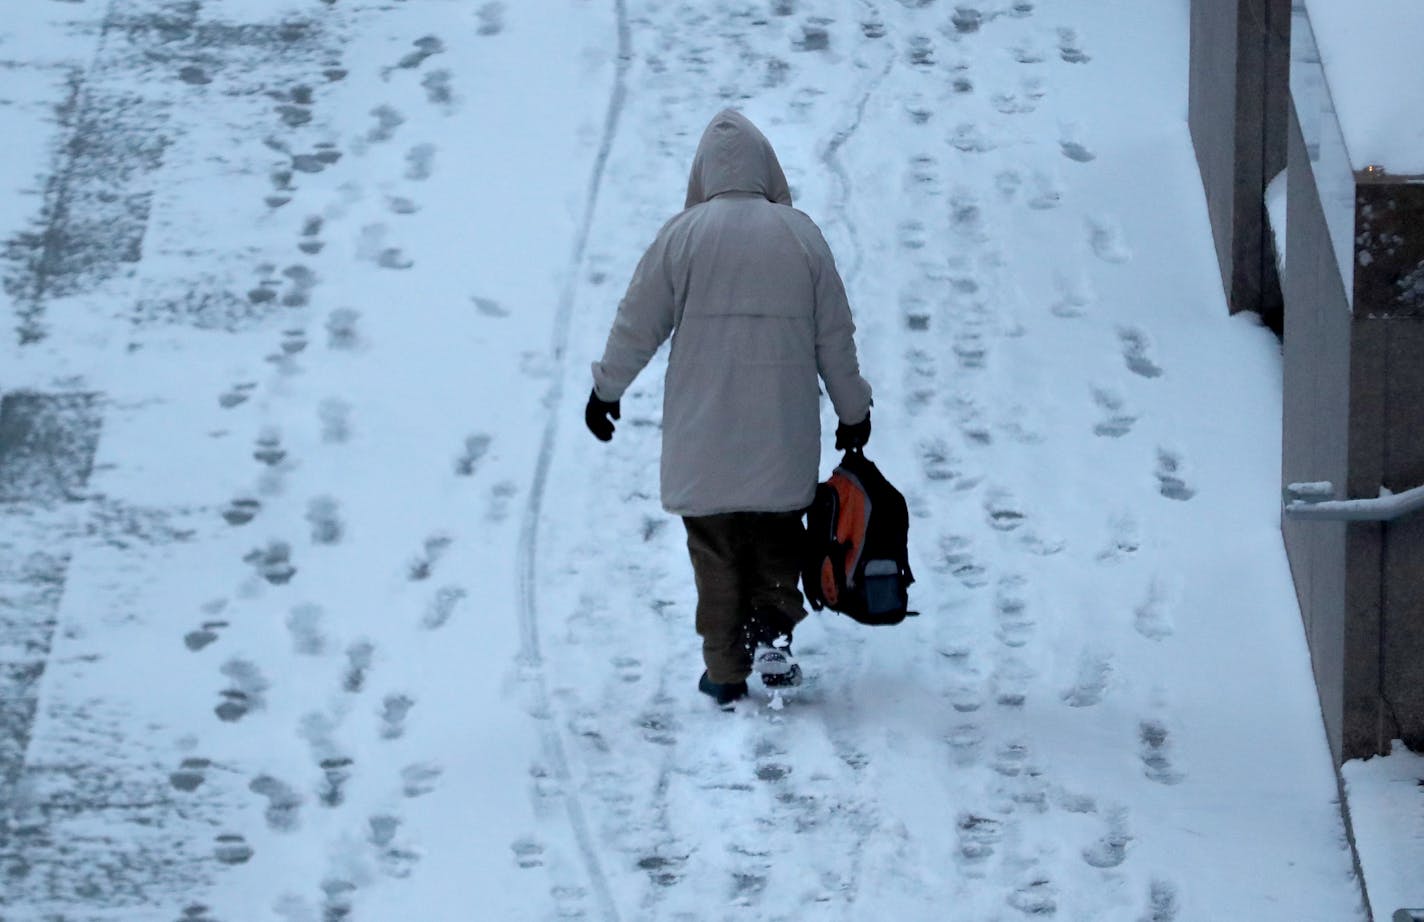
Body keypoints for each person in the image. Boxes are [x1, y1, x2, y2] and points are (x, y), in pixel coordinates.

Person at [585, 109, 872, 707]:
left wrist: (606, 391)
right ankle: (771, 633)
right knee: (776, 541)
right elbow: (835, 337)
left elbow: (636, 325)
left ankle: (723, 668)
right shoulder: (801, 236)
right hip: (781, 432)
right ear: (767, 169)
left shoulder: (680, 237)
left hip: (702, 433)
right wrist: (852, 410)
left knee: (714, 553)